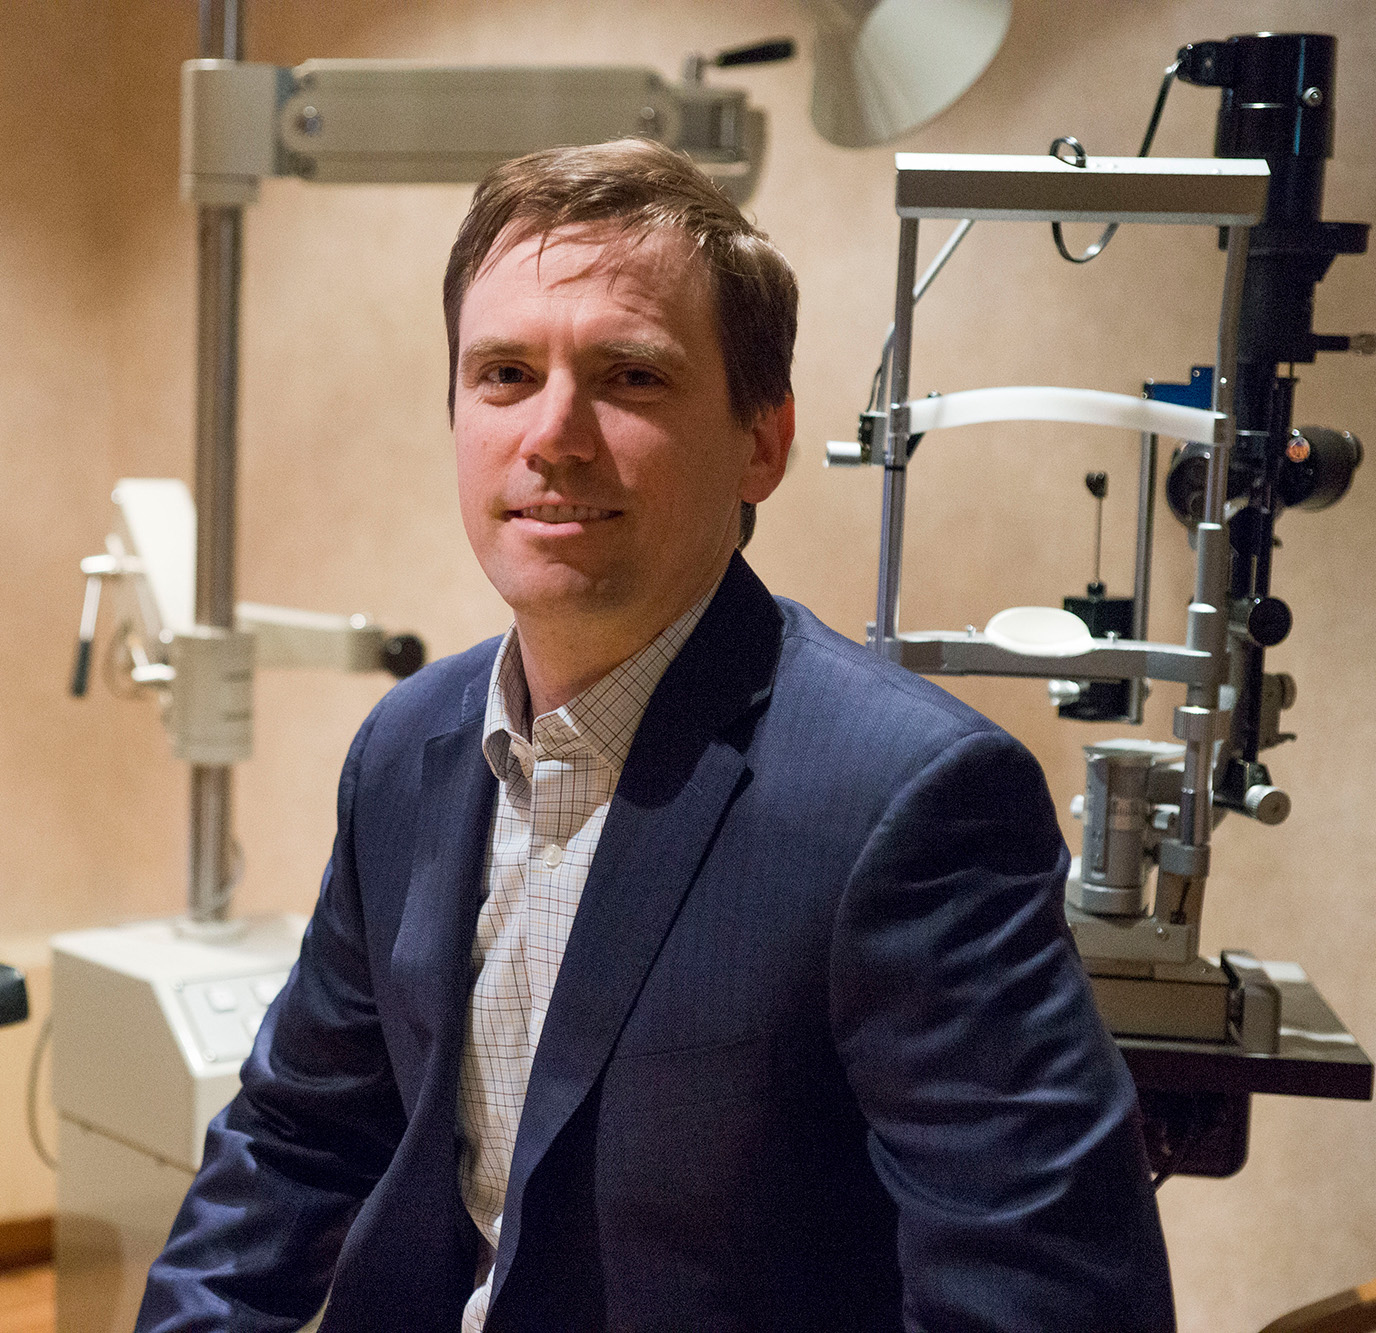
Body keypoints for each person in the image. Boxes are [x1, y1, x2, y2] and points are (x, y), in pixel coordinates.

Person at [137, 138, 1174, 1332]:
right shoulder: (405, 748)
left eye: (629, 377)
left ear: (762, 442)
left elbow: (1045, 1302)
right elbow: (292, 1138)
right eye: (505, 373)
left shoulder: (906, 802)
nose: (553, 434)